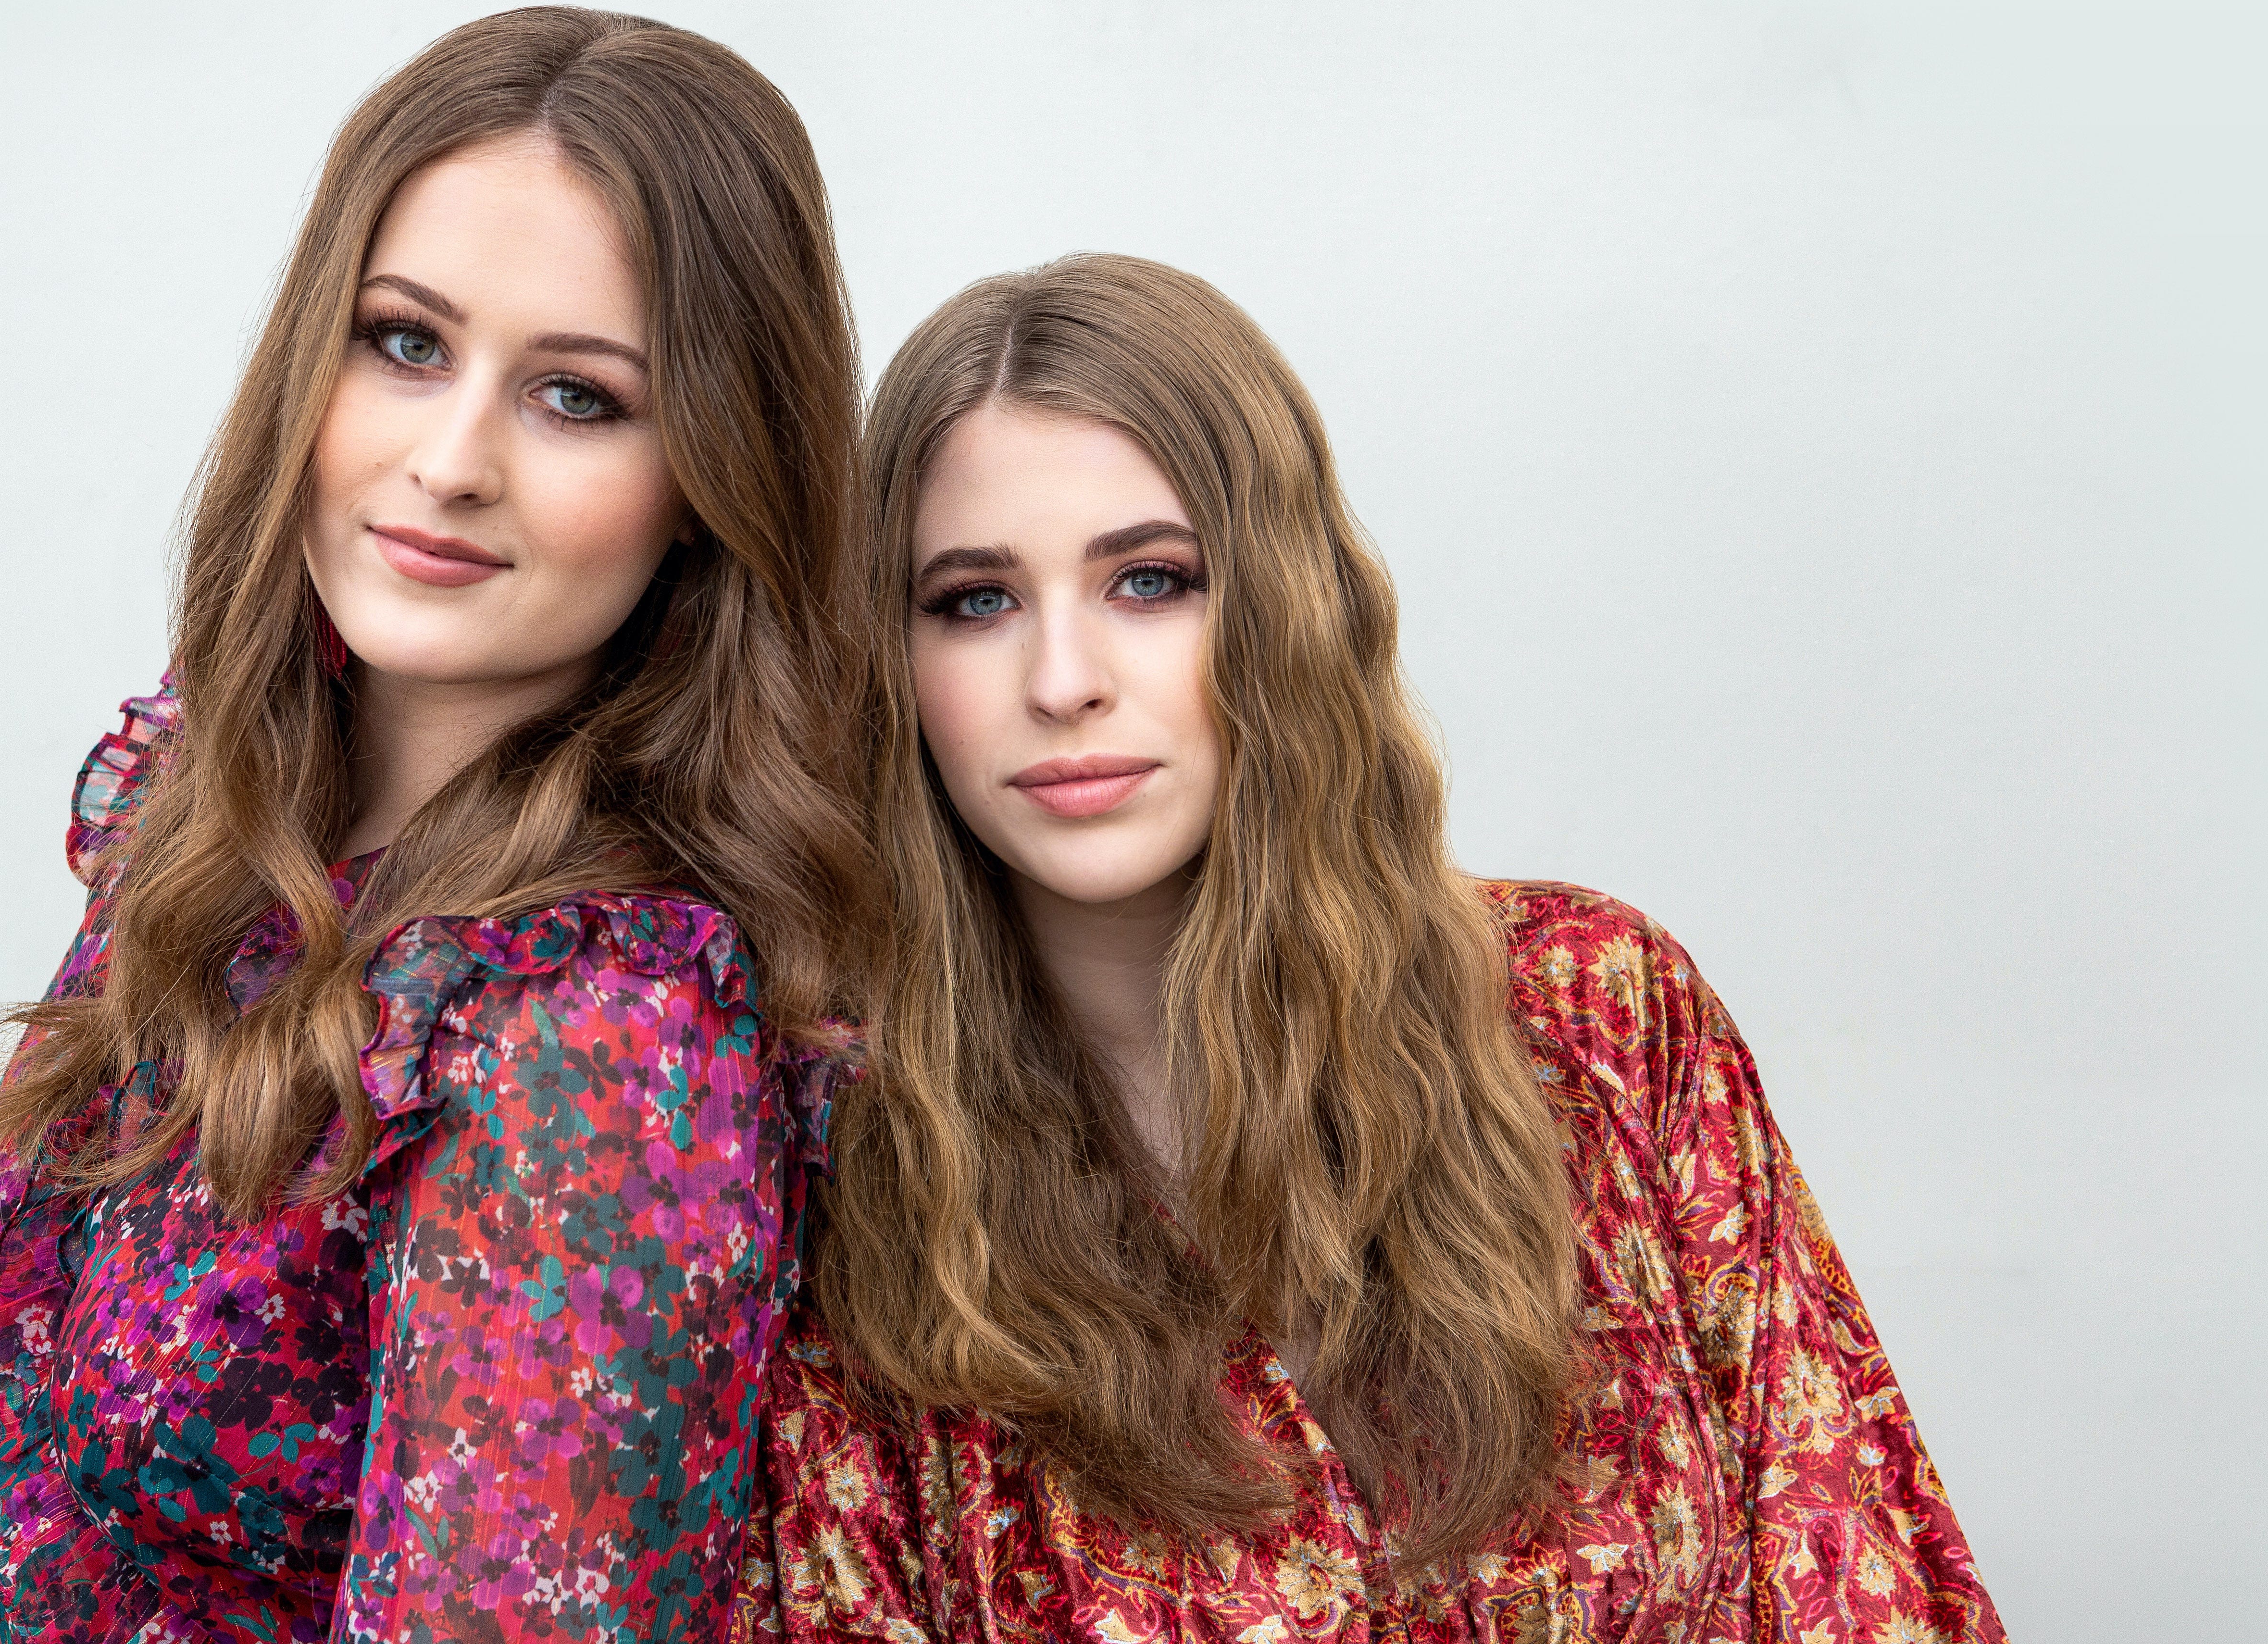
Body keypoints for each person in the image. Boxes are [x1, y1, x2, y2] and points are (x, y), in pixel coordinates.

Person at [735, 254, 2003, 1642]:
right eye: (975, 601)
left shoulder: (1602, 1012)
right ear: (890, 663)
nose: (1062, 681)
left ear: (1286, 606)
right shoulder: (841, 1172)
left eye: (1151, 582)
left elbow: (1856, 1568)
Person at [0, 8, 876, 1643]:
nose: (450, 462)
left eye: (576, 397)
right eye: (406, 343)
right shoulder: (214, 823)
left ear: (711, 483)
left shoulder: (596, 1035)